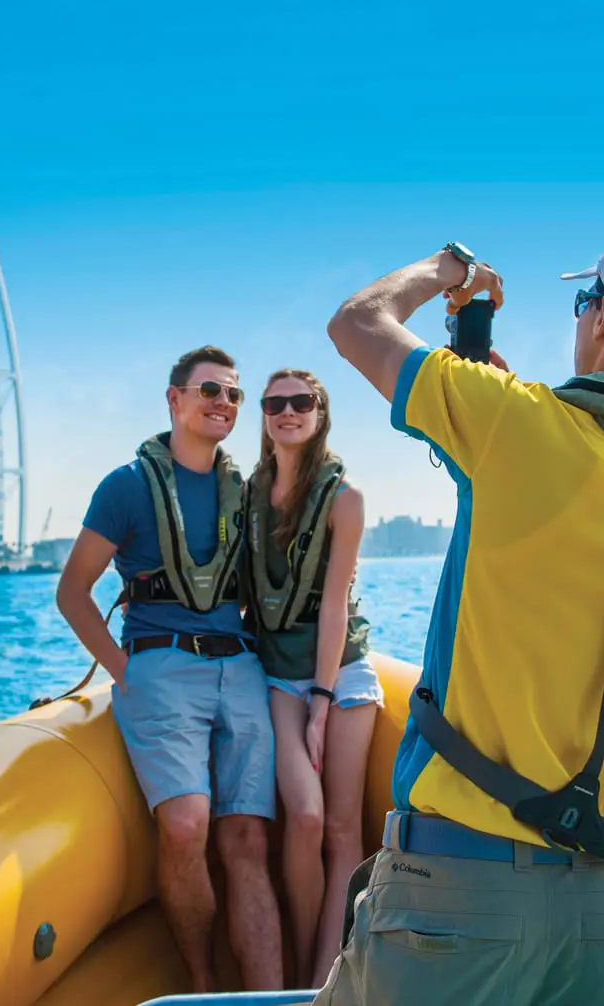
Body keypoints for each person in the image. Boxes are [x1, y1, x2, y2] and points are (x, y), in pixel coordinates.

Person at [313, 243, 604, 1006]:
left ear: (600, 322)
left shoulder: (515, 424)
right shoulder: (514, 425)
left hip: (459, 905)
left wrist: (448, 274)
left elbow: (358, 324)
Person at [56, 345, 283, 995]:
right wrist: (125, 671)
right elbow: (73, 591)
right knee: (186, 825)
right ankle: (203, 985)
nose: (224, 403)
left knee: (246, 839)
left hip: (238, 669)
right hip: (160, 668)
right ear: (174, 399)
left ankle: (268, 997)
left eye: (235, 395)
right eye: (210, 390)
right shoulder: (125, 487)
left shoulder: (247, 491)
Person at [244, 368, 382, 989]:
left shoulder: (345, 499)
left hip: (342, 674)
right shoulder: (247, 495)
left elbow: (334, 605)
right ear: (265, 416)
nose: (288, 411)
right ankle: (301, 966)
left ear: (320, 413)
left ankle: (325, 980)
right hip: (277, 677)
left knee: (341, 827)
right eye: (276, 403)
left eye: (303, 402)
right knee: (302, 816)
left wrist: (322, 702)